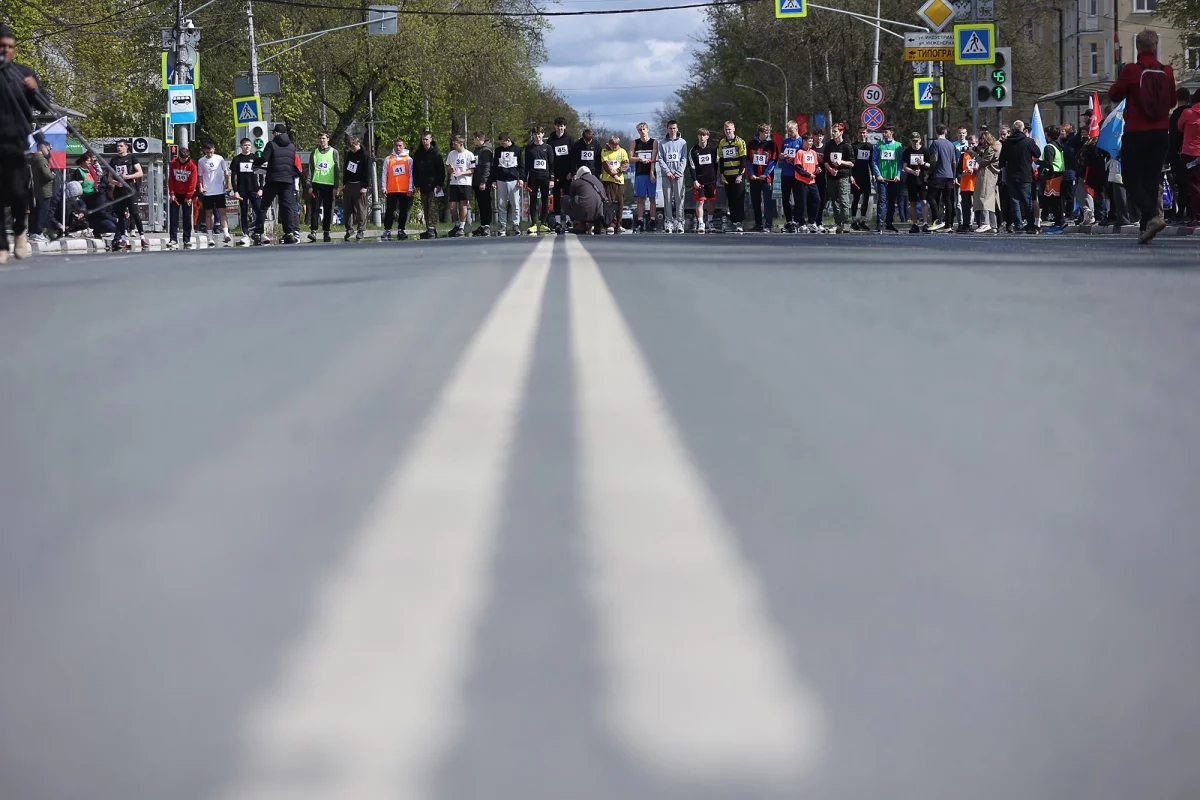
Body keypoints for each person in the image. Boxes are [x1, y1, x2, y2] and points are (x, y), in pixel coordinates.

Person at [1109, 28, 1176, 244]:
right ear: (1156, 46)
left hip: (1136, 132)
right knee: (1151, 179)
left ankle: (1153, 216)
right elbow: (1172, 101)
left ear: (1138, 46)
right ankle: (1147, 228)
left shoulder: (1132, 70)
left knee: (1130, 178)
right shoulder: (1167, 71)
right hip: (1161, 133)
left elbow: (1114, 94)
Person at [0, 25, 47, 262]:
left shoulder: (23, 73)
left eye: (10, 47)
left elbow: (44, 105)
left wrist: (34, 90)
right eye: (2, 46)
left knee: (18, 192)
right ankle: (1, 246)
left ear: (14, 50)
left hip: (16, 142)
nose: (5, 50)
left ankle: (20, 230)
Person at [254, 122, 301, 245]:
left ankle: (258, 232)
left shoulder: (271, 144)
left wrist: (255, 162)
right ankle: (289, 233)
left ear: (276, 133)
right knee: (286, 207)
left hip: (273, 179)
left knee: (264, 206)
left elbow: (264, 158)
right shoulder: (292, 146)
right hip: (287, 181)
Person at [999, 120, 1041, 233]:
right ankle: (1030, 225)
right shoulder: (1028, 141)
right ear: (1023, 129)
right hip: (1025, 175)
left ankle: (1018, 225)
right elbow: (1038, 153)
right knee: (1027, 201)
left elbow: (1002, 160)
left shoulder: (1007, 142)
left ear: (1013, 129)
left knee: (1015, 201)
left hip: (1011, 175)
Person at [107, 139, 148, 248]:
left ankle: (142, 237)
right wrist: (116, 182)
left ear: (126, 147)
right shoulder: (114, 160)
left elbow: (140, 173)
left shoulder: (132, 157)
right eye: (117, 146)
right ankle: (123, 238)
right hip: (119, 191)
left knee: (134, 213)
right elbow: (110, 178)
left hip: (130, 189)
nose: (119, 148)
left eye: (121, 146)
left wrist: (128, 177)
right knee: (120, 215)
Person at [304, 132, 340, 242]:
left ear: (327, 139)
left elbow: (337, 170)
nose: (322, 140)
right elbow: (311, 169)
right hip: (317, 184)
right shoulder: (314, 152)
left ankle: (326, 231)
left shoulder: (334, 152)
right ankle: (313, 231)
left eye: (323, 138)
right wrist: (309, 185)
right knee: (315, 208)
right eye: (320, 138)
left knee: (328, 209)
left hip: (329, 185)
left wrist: (336, 186)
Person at [412, 129, 445, 239]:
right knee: (425, 207)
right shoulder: (418, 153)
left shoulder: (436, 153)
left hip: (434, 185)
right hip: (422, 185)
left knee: (432, 207)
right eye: (423, 139)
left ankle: (431, 228)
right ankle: (430, 229)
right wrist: (416, 184)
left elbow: (441, 170)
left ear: (430, 139)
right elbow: (415, 170)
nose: (424, 141)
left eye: (426, 139)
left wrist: (439, 184)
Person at [196, 141, 230, 246]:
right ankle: (210, 237)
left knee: (222, 212)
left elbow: (226, 171)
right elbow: (200, 175)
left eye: (211, 152)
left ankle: (226, 233)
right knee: (208, 214)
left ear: (214, 150)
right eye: (207, 152)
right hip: (208, 191)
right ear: (204, 151)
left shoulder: (219, 159)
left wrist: (227, 183)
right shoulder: (201, 161)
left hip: (219, 190)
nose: (209, 154)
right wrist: (201, 186)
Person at [823, 123, 855, 234]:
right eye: (832, 131)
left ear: (841, 132)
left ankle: (846, 223)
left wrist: (841, 162)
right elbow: (825, 160)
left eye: (835, 131)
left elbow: (852, 163)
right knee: (834, 200)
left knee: (844, 200)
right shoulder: (829, 145)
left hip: (843, 176)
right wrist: (830, 170)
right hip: (831, 177)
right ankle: (838, 223)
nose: (833, 133)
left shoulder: (847, 145)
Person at [380, 138, 414, 241]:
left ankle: (401, 229)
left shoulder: (408, 159)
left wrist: (410, 188)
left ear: (403, 146)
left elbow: (411, 174)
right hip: (392, 189)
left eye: (400, 146)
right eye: (396, 145)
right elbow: (384, 173)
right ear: (394, 146)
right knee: (390, 210)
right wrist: (384, 187)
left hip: (404, 190)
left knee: (403, 210)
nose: (398, 148)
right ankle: (387, 229)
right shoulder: (388, 159)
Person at [230, 137, 262, 245]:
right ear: (241, 146)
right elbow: (233, 176)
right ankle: (246, 234)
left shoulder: (255, 158)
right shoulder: (237, 159)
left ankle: (260, 232)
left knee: (259, 211)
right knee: (244, 212)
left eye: (248, 145)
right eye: (245, 145)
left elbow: (261, 174)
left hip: (254, 189)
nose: (247, 147)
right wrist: (235, 191)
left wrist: (261, 188)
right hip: (242, 190)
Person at [717, 120, 747, 234]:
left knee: (739, 199)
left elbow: (743, 159)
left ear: (734, 129)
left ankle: (739, 222)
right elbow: (721, 159)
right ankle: (733, 222)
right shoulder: (722, 142)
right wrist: (721, 174)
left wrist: (740, 174)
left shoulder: (740, 141)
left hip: (737, 175)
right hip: (727, 175)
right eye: (726, 129)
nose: (728, 131)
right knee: (730, 200)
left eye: (729, 129)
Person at [658, 120, 687, 233]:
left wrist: (679, 172)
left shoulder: (683, 142)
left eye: (674, 128)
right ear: (667, 129)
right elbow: (660, 159)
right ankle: (668, 222)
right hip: (667, 175)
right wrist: (668, 172)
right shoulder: (662, 143)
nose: (672, 130)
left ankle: (680, 221)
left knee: (679, 198)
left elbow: (684, 158)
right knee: (668, 199)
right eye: (670, 128)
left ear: (677, 129)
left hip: (679, 175)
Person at [523, 126, 554, 234]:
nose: (537, 136)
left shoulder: (548, 148)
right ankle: (534, 223)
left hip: (545, 177)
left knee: (545, 200)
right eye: (535, 134)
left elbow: (551, 164)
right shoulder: (529, 148)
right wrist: (525, 179)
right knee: (533, 200)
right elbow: (526, 164)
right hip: (533, 178)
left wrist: (552, 178)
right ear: (533, 135)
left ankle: (543, 223)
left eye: (539, 134)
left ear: (543, 134)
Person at [871, 125, 902, 233]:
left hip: (893, 178)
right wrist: (877, 174)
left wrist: (898, 174)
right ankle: (879, 224)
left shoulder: (898, 146)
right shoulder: (878, 146)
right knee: (882, 200)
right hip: (882, 178)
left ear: (891, 132)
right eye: (883, 132)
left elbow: (900, 162)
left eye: (886, 132)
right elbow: (874, 161)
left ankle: (889, 223)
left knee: (892, 201)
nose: (884, 134)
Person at [747, 122, 777, 233]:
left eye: (768, 132)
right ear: (760, 132)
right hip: (754, 177)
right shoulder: (751, 143)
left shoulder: (772, 144)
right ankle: (758, 224)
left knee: (768, 202)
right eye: (765, 132)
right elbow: (748, 160)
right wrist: (751, 173)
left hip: (766, 178)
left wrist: (766, 173)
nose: (767, 134)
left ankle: (768, 224)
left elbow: (773, 160)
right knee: (755, 201)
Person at [166, 145, 198, 249]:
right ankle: (173, 239)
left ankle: (187, 239)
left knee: (187, 217)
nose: (184, 160)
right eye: (182, 158)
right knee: (173, 217)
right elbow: (171, 179)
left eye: (186, 158)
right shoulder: (173, 163)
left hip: (187, 194)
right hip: (175, 193)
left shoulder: (192, 166)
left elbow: (193, 182)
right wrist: (171, 193)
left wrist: (189, 196)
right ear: (178, 156)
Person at [926, 124, 956, 232]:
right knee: (947, 199)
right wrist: (953, 176)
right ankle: (948, 224)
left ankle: (937, 220)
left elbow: (934, 160)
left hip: (939, 174)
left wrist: (928, 173)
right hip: (949, 175)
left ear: (936, 132)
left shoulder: (935, 143)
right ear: (945, 132)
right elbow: (954, 162)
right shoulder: (951, 145)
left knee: (931, 197)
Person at [445, 133, 475, 237]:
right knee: (452, 206)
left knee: (463, 204)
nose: (453, 146)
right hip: (454, 182)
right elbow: (449, 168)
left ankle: (462, 226)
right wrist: (451, 169)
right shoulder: (451, 154)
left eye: (455, 144)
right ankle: (457, 224)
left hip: (465, 183)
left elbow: (472, 170)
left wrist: (461, 173)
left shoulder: (469, 154)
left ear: (461, 143)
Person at [493, 131, 523, 237]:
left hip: (513, 180)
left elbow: (521, 165)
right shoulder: (498, 150)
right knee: (501, 204)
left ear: (508, 140)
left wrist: (521, 178)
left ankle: (516, 224)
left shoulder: (517, 150)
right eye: (500, 143)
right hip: (501, 180)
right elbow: (495, 166)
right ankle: (503, 225)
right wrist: (494, 180)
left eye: (503, 143)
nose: (502, 145)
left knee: (515, 204)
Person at [1168, 88, 1192, 223]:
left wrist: (1169, 157)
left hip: (1179, 154)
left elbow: (1173, 138)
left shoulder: (1176, 115)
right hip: (1193, 153)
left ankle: (1181, 212)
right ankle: (1191, 211)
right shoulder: (1193, 112)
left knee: (1182, 186)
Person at [1177, 89, 1200, 228]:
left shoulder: (1188, 113)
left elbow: (1180, 127)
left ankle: (1197, 216)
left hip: (1191, 154)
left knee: (1194, 186)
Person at [629, 122, 658, 232]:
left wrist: (652, 172)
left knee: (652, 198)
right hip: (640, 173)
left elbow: (654, 159)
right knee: (640, 198)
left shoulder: (654, 142)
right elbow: (630, 158)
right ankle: (640, 221)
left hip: (650, 173)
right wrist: (639, 159)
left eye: (644, 129)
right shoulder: (635, 142)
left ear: (647, 130)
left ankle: (652, 221)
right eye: (640, 130)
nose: (642, 132)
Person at [341, 135, 371, 242]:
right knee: (347, 209)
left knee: (360, 209)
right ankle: (349, 228)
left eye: (354, 147)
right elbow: (346, 169)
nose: (352, 149)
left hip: (359, 185)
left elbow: (367, 172)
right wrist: (344, 183)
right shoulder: (349, 154)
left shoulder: (365, 155)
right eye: (350, 147)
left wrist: (364, 186)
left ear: (358, 144)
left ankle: (361, 230)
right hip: (349, 184)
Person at [971, 131, 1002, 233]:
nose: (981, 142)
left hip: (986, 175)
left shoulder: (991, 149)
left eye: (982, 140)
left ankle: (985, 223)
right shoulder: (997, 146)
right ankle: (993, 225)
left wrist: (974, 155)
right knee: (991, 201)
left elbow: (983, 162)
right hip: (992, 176)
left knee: (983, 198)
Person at [690, 127, 719, 234]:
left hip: (711, 180)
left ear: (707, 136)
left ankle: (710, 221)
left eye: (704, 135)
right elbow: (692, 167)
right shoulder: (693, 150)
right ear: (697, 136)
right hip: (699, 181)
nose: (702, 137)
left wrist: (715, 176)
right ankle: (701, 223)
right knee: (700, 202)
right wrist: (695, 180)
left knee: (711, 201)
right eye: (700, 135)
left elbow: (716, 164)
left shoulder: (713, 149)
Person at [1040, 125, 1067, 233]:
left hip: (1053, 176)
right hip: (1060, 174)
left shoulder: (1049, 147)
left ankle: (1059, 222)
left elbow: (1049, 164)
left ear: (1047, 134)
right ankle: (1059, 220)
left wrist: (1039, 162)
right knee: (1058, 200)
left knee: (1054, 201)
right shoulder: (1059, 145)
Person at [547, 117, 573, 233]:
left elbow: (573, 157)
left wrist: (572, 172)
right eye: (558, 126)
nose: (560, 128)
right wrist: (551, 175)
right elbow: (549, 159)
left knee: (568, 197)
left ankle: (568, 220)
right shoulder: (550, 140)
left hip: (567, 174)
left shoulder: (569, 139)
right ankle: (557, 221)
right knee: (556, 198)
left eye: (562, 126)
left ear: (565, 127)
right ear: (555, 126)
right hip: (556, 174)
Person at [901, 132, 930, 233]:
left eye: (917, 141)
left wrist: (923, 163)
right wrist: (913, 172)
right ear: (910, 141)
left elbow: (930, 165)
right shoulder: (907, 151)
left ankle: (925, 223)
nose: (915, 143)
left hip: (923, 180)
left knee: (924, 201)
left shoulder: (925, 151)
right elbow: (905, 167)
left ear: (920, 140)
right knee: (912, 202)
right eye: (913, 141)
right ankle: (915, 224)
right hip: (911, 180)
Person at [564, 165, 606, 234]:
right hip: (599, 213)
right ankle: (596, 225)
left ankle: (580, 224)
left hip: (584, 213)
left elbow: (571, 197)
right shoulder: (598, 182)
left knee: (565, 199)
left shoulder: (576, 182)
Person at [600, 135, 629, 234]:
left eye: (615, 146)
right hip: (608, 181)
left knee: (620, 203)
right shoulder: (604, 151)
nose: (614, 148)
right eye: (612, 146)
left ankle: (619, 224)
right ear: (609, 144)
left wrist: (618, 171)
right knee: (610, 203)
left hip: (619, 181)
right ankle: (611, 224)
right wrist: (613, 175)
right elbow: (606, 165)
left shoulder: (622, 151)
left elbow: (626, 164)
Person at [792, 133, 820, 232]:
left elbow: (816, 165)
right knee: (802, 203)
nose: (811, 143)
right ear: (804, 141)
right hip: (801, 181)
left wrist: (818, 169)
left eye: (812, 141)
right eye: (809, 141)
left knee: (817, 200)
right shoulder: (799, 152)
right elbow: (798, 167)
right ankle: (801, 223)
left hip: (812, 182)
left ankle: (812, 222)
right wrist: (808, 175)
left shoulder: (813, 153)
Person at [779, 120, 803, 233]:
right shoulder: (785, 141)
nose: (789, 133)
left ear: (796, 129)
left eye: (791, 131)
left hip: (797, 174)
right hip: (786, 174)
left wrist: (794, 160)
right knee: (785, 198)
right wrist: (782, 156)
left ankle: (797, 220)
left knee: (798, 198)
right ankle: (788, 220)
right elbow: (781, 156)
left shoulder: (801, 141)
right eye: (788, 131)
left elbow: (803, 157)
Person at [29, 140, 53, 242]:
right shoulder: (41, 160)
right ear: (42, 148)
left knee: (38, 211)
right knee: (43, 212)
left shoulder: (34, 158)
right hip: (44, 189)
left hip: (38, 188)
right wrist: (53, 175)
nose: (49, 151)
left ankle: (35, 232)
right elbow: (47, 175)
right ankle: (38, 232)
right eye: (48, 149)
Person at [850, 127, 873, 231]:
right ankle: (853, 220)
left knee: (866, 198)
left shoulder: (869, 146)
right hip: (856, 176)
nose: (862, 134)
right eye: (860, 133)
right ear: (857, 134)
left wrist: (873, 174)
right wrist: (850, 175)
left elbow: (871, 161)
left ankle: (863, 220)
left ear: (866, 134)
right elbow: (850, 162)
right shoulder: (853, 146)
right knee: (856, 198)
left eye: (864, 133)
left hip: (866, 175)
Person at [471, 132, 493, 237]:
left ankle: (487, 225)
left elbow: (487, 167)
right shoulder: (476, 150)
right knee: (480, 204)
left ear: (478, 138)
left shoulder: (486, 151)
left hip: (483, 182)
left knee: (485, 204)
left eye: (474, 139)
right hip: (476, 181)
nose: (473, 141)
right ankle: (483, 224)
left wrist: (484, 181)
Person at [957, 134, 979, 232]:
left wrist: (974, 171)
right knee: (966, 206)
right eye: (969, 143)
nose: (971, 145)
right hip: (965, 184)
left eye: (973, 143)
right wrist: (962, 172)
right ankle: (966, 225)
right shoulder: (963, 155)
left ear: (977, 143)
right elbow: (958, 169)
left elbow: (982, 168)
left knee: (977, 206)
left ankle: (979, 224)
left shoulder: (979, 155)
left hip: (976, 184)